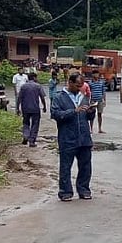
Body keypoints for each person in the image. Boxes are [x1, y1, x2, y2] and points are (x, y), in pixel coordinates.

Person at [50, 72, 96, 201]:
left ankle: (84, 190)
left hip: (84, 138)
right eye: (77, 85)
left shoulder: (84, 97)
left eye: (81, 86)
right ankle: (65, 192)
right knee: (65, 167)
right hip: (67, 138)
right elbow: (56, 114)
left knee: (85, 167)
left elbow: (88, 117)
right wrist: (73, 111)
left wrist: (91, 112)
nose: (79, 88)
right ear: (70, 83)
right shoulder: (59, 98)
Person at [16, 72, 47, 147]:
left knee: (26, 123)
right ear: (34, 78)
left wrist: (17, 108)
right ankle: (32, 141)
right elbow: (42, 97)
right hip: (35, 108)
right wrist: (44, 106)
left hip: (25, 108)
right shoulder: (38, 86)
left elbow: (19, 98)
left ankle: (26, 135)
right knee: (35, 124)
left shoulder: (23, 86)